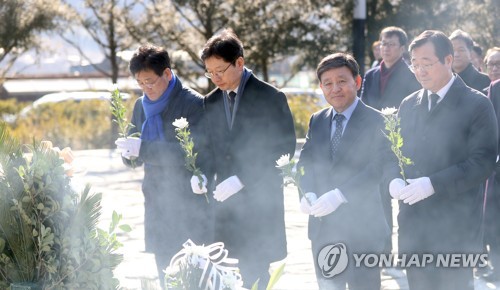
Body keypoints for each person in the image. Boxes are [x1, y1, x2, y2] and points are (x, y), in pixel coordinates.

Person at [390, 30, 498, 290]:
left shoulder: (476, 104)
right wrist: (391, 178)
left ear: (448, 60)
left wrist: (433, 183)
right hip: (414, 226)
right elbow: (392, 153)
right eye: (414, 65)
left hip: (455, 229)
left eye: (426, 64)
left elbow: (482, 161)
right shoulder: (409, 104)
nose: (420, 71)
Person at [200, 29, 296, 289]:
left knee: (255, 273)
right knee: (226, 273)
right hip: (225, 206)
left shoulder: (270, 97)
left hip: (259, 203)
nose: (215, 78)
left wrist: (243, 179)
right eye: (210, 72)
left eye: (220, 70)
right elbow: (208, 148)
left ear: (239, 63)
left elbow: (283, 150)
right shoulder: (210, 103)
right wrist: (202, 175)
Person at [298, 52, 399, 290]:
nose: (335, 88)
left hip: (362, 230)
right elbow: (306, 162)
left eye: (342, 81)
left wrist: (340, 195)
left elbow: (379, 166)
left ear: (357, 81)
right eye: (328, 83)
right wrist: (306, 192)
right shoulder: (317, 119)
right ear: (321, 87)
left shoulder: (379, 121)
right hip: (323, 229)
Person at [114, 43, 213, 286]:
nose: (146, 89)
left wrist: (144, 150)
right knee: (166, 275)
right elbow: (136, 155)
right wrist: (129, 154)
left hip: (189, 203)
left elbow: (197, 153)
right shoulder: (140, 106)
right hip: (157, 201)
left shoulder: (193, 104)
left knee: (194, 276)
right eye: (140, 83)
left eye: (150, 81)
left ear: (167, 74)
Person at [359, 26, 420, 255]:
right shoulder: (372, 74)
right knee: (377, 197)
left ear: (403, 48)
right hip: (374, 144)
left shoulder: (410, 74)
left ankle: (406, 249)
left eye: (391, 44)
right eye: (383, 43)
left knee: (400, 195)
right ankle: (382, 251)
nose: (385, 48)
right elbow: (363, 106)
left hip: (400, 144)